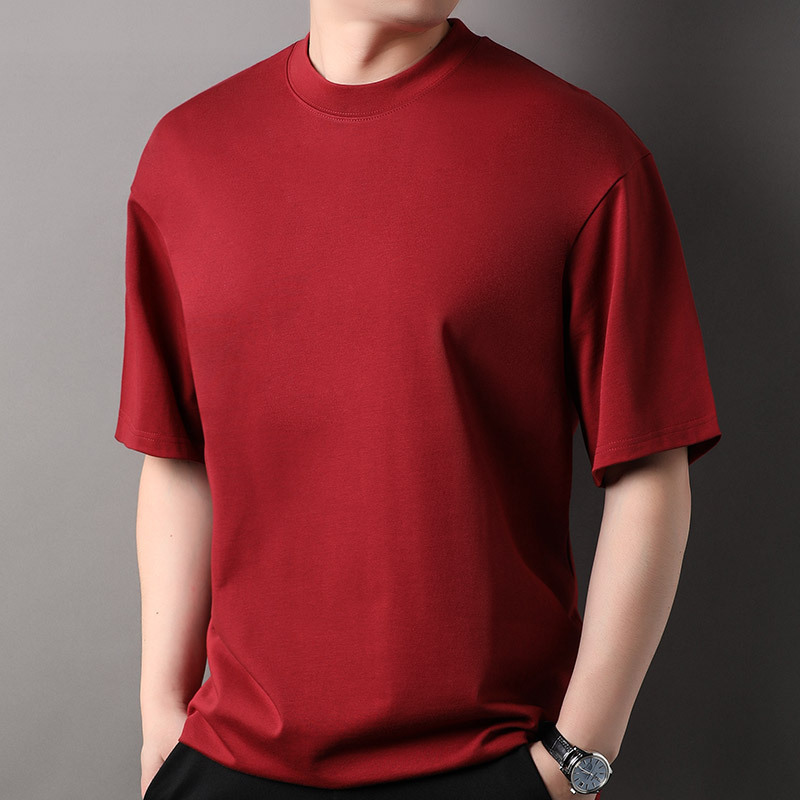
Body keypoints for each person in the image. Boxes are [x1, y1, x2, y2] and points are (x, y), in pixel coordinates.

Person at [114, 2, 722, 799]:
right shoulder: (188, 154)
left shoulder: (581, 152)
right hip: (226, 761)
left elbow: (649, 465)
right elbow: (176, 454)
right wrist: (161, 716)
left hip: (487, 764)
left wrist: (577, 757)